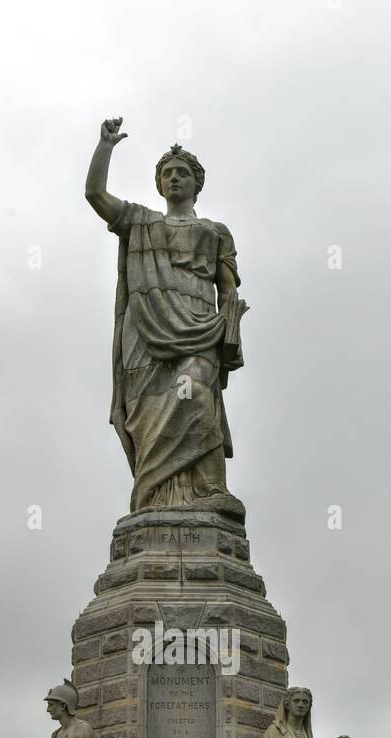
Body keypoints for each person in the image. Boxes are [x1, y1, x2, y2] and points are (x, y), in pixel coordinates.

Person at [85, 116, 247, 515]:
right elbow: (95, 195)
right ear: (159, 183)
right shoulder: (140, 221)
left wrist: (230, 330)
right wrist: (105, 147)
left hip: (200, 325)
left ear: (197, 182)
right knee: (151, 415)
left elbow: (227, 290)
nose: (174, 178)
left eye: (182, 173)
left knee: (197, 395)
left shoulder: (216, 231)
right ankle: (155, 497)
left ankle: (210, 489)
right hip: (146, 333)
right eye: (168, 173)